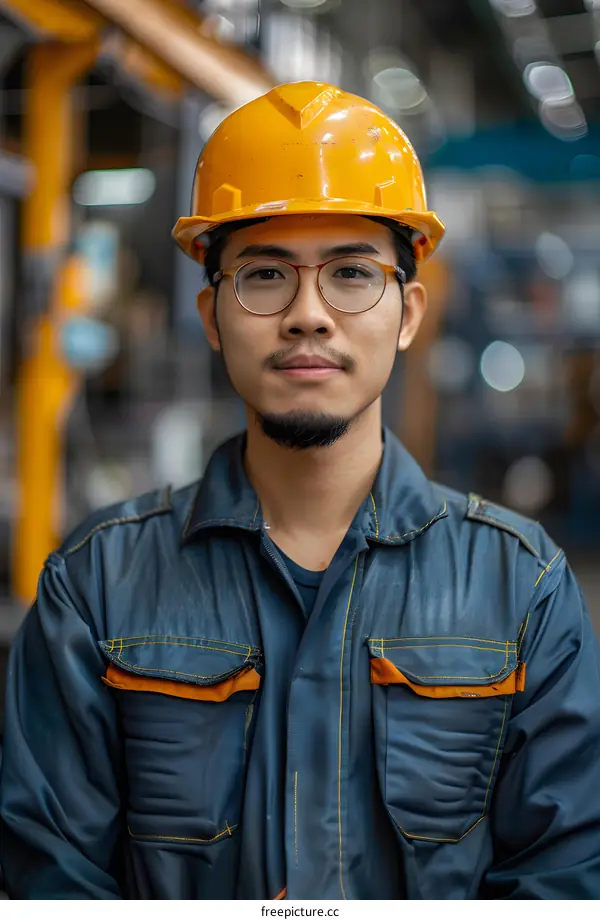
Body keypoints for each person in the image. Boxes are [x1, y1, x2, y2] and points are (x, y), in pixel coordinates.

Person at [1, 81, 599, 900]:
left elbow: (564, 881)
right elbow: (49, 885)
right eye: (266, 275)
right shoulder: (97, 589)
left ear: (409, 312)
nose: (309, 315)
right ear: (212, 315)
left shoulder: (521, 591)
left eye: (352, 274)